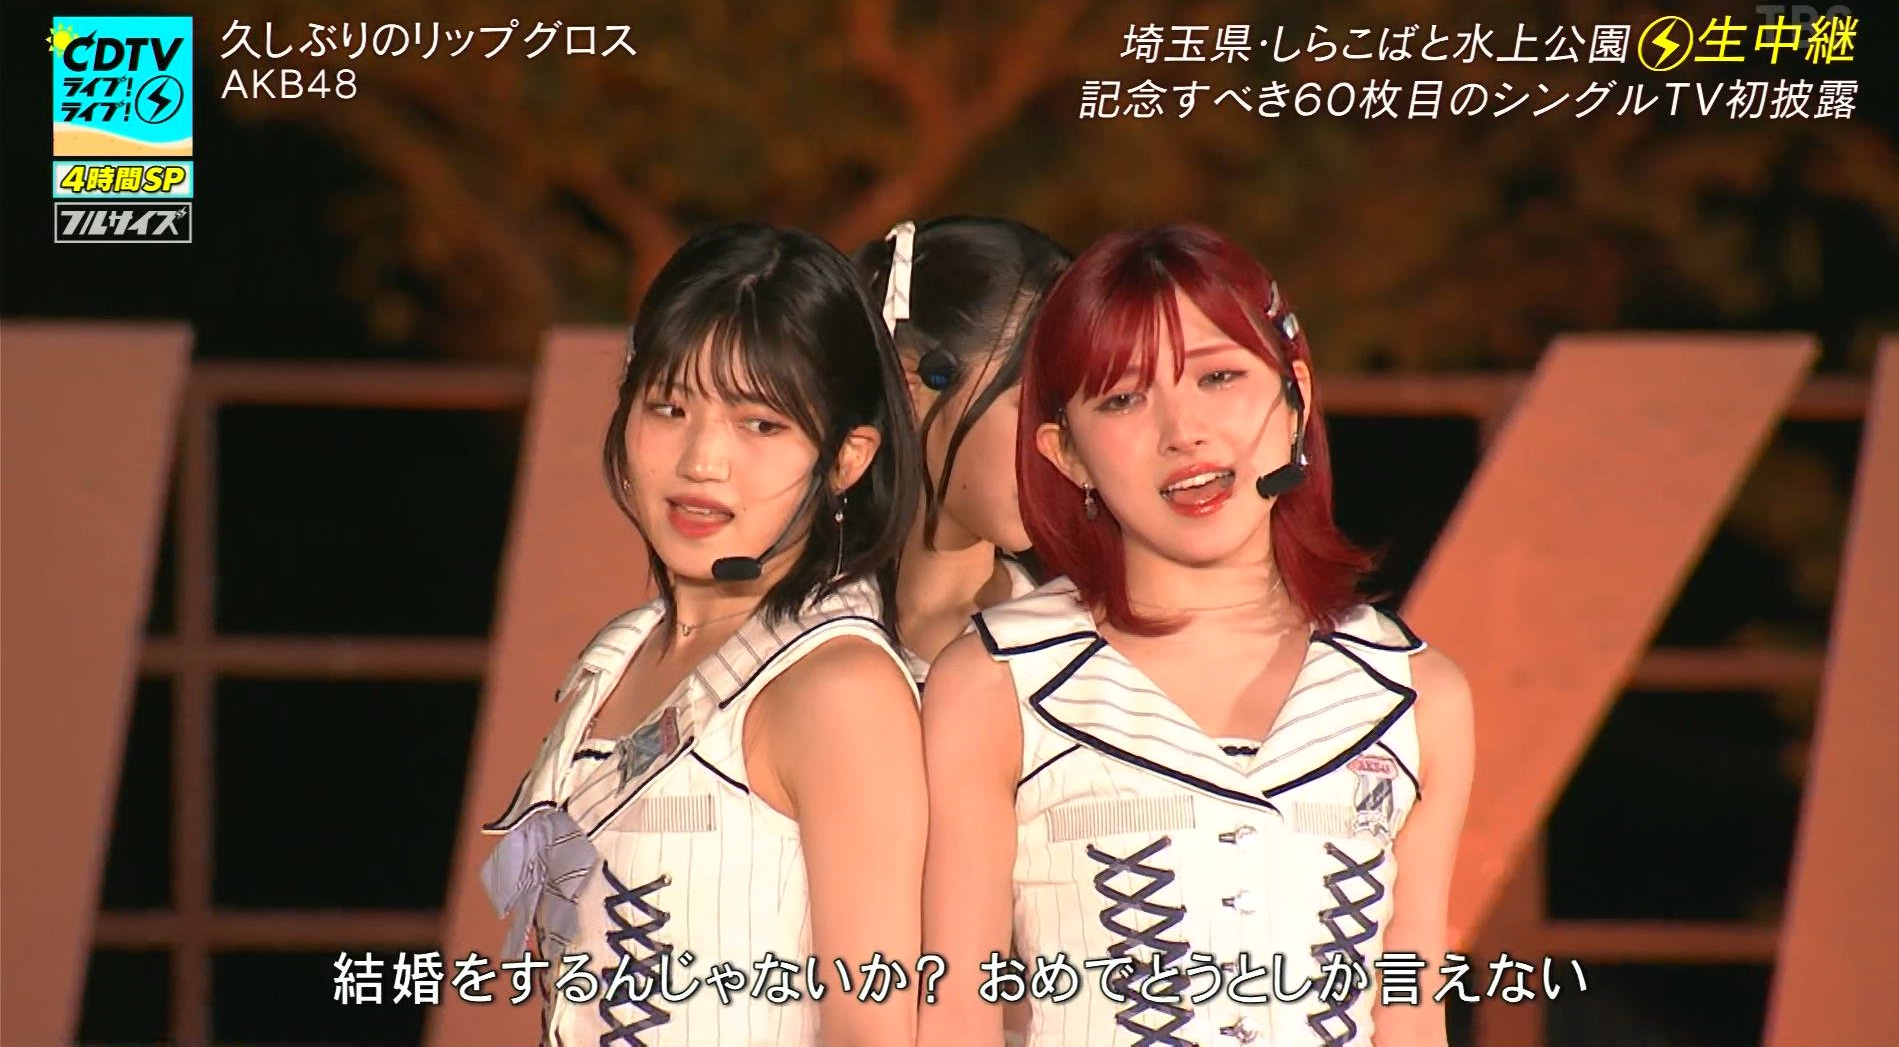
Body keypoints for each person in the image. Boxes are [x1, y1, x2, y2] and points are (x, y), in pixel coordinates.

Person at [918, 223, 1474, 1047]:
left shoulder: (1414, 694)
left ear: (1296, 398)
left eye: (1219, 377)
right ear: (1065, 453)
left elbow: (1411, 1008)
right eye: (1122, 398)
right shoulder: (994, 682)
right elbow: (955, 1012)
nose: (1184, 431)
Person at [480, 223, 927, 1047]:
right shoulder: (619, 658)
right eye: (669, 407)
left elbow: (872, 1027)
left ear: (848, 458)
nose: (702, 461)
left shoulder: (838, 688)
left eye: (761, 425)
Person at [852, 216, 1071, 683]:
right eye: (1032, 406)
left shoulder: (1081, 647)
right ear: (910, 386)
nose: (1059, 446)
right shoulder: (784, 629)